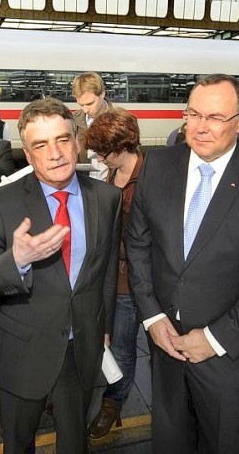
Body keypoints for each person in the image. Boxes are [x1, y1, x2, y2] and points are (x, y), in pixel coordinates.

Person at [125, 74, 239, 453]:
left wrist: (214, 339)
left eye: (215, 117)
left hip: (230, 354)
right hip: (165, 343)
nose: (201, 127)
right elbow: (138, 244)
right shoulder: (158, 163)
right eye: (193, 114)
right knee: (171, 440)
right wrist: (153, 318)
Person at [0, 97, 122, 454]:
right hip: (22, 352)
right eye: (40, 145)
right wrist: (15, 260)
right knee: (19, 445)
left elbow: (105, 269)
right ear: (28, 155)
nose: (56, 153)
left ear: (77, 141)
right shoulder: (4, 202)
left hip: (83, 349)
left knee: (74, 443)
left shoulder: (108, 197)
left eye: (63, 139)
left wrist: (104, 325)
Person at [84, 108, 144, 440]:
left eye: (105, 152)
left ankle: (113, 405)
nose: (100, 158)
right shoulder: (110, 175)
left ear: (124, 145)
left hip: (133, 280)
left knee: (122, 348)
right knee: (110, 343)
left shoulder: (150, 177)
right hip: (111, 276)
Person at [71, 72, 112, 180]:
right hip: (85, 186)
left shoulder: (121, 119)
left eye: (89, 103)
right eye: (81, 105)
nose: (85, 110)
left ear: (102, 94)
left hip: (112, 186)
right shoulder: (72, 120)